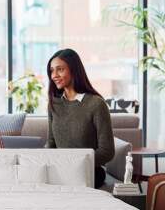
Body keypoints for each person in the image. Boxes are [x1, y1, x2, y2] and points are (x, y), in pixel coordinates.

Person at [46, 48, 115, 188]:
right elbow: (51, 143)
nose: (54, 75)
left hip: (89, 172)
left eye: (60, 69)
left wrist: (74, 163)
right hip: (60, 170)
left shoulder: (96, 104)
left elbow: (107, 152)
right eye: (52, 70)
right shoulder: (54, 104)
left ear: (74, 70)